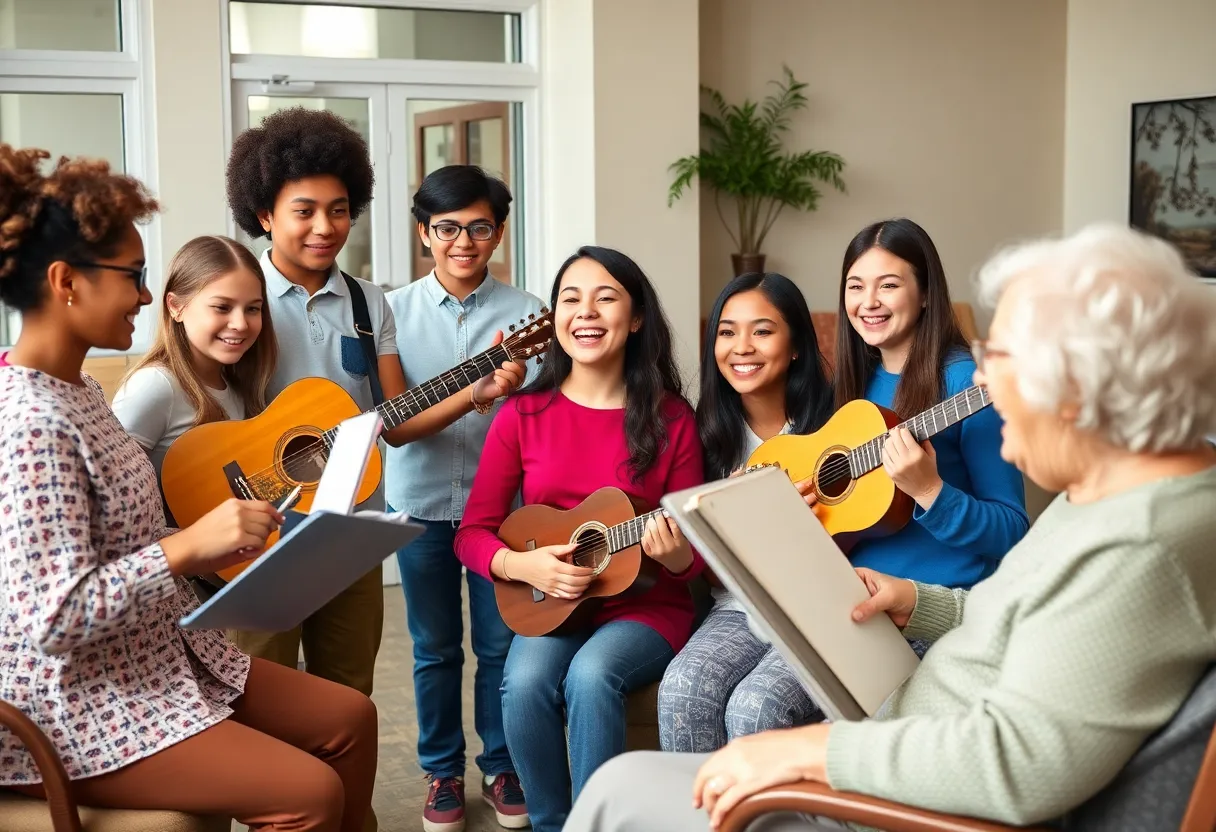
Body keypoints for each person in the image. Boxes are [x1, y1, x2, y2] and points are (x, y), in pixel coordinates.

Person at [564, 222, 1216, 831]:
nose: (982, 380)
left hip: (893, 798)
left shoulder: (1141, 545)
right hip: (892, 730)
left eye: (1002, 357)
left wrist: (809, 752)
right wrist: (919, 602)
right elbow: (1025, 619)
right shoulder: (1102, 497)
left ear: (1079, 382)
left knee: (622, 791)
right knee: (638, 769)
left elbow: (1020, 766)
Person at [0, 145, 376, 832]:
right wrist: (186, 549)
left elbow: (125, 537)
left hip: (159, 654)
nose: (146, 296)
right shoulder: (32, 424)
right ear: (66, 281)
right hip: (84, 700)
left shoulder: (81, 392)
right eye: (134, 276)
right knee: (310, 793)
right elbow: (52, 619)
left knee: (350, 716)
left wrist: (218, 543)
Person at [224, 107, 521, 704]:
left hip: (350, 527)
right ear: (264, 215)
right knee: (263, 693)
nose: (324, 227)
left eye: (338, 211)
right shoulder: (238, 296)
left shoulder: (369, 304)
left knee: (348, 696)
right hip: (260, 524)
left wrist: (475, 393)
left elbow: (398, 421)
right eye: (304, 211)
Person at [453, 246, 705, 832]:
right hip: (553, 603)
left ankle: (597, 824)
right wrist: (523, 567)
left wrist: (677, 556)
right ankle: (551, 823)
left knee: (592, 677)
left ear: (636, 318)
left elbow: (696, 555)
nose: (585, 312)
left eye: (605, 298)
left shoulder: (672, 419)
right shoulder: (522, 414)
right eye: (571, 299)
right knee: (523, 682)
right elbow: (472, 534)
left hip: (644, 607)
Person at [382, 165, 538, 832]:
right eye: (447, 228)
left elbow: (547, 417)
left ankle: (502, 765)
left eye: (479, 228)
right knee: (435, 649)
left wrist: (518, 391)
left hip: (501, 515)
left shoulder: (531, 315)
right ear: (424, 233)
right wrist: (474, 393)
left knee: (502, 648)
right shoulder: (391, 313)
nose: (463, 243)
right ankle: (441, 772)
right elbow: (391, 420)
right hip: (418, 504)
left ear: (499, 233)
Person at [658, 272, 834, 754]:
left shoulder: (837, 426)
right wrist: (735, 525)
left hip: (820, 608)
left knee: (754, 708)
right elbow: (705, 567)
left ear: (795, 345)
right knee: (681, 690)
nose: (742, 347)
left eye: (762, 331)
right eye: (727, 332)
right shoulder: (703, 435)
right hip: (739, 608)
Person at [111, 234, 277, 492]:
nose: (241, 324)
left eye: (253, 309)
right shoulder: (155, 385)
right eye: (222, 307)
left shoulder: (238, 389)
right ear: (176, 307)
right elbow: (113, 495)